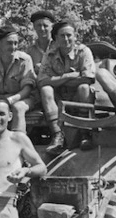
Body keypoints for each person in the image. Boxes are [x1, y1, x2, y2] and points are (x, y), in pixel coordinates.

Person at [37, 19, 96, 155]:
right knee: (46, 90)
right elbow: (41, 82)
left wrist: (55, 80)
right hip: (58, 99)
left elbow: (87, 78)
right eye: (62, 36)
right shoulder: (50, 54)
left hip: (79, 97)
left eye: (69, 35)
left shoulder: (84, 52)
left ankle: (85, 133)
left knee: (83, 87)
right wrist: (68, 77)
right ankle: (58, 135)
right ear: (55, 39)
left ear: (75, 36)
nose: (66, 39)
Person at [26, 10, 56, 74]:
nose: (42, 29)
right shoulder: (29, 51)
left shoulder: (59, 47)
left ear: (52, 27)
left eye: (45, 26)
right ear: (34, 27)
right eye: (39, 25)